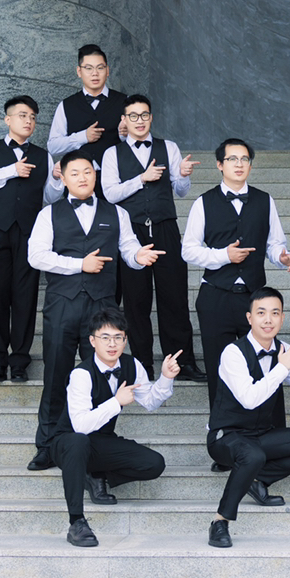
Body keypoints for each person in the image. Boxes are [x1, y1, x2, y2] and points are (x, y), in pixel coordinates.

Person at [25, 150, 164, 472]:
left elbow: (128, 247)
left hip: (103, 306)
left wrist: (138, 257)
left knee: (102, 379)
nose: (82, 178)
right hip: (62, 304)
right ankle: (47, 445)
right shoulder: (48, 214)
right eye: (75, 173)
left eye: (87, 171)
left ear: (95, 175)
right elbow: (36, 256)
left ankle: (98, 446)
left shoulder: (117, 213)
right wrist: (79, 264)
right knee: (55, 374)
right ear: (63, 178)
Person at [207, 287, 290, 548]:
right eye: (261, 313)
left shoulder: (284, 350)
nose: (268, 320)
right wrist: (281, 368)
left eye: (275, 313)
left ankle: (257, 479)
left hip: (261, 434)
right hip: (226, 436)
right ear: (249, 318)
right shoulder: (233, 352)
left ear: (282, 318)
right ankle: (220, 521)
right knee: (252, 455)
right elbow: (249, 399)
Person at [182, 138, 290, 411]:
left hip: (255, 299)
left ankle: (265, 428)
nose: (239, 164)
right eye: (232, 159)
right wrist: (223, 256)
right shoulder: (203, 202)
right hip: (215, 297)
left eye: (244, 159)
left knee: (262, 365)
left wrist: (282, 258)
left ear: (250, 165)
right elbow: (188, 250)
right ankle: (222, 428)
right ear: (219, 165)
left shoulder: (264, 200)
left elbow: (274, 244)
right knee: (218, 368)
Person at [101, 93, 206, 382]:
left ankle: (183, 364)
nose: (139, 120)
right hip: (130, 232)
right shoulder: (112, 154)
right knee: (136, 302)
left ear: (151, 117)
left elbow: (181, 191)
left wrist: (183, 175)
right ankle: (142, 365)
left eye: (144, 115)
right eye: (133, 115)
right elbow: (110, 194)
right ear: (124, 119)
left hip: (165, 228)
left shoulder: (168, 147)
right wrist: (141, 179)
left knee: (175, 298)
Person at [50, 308, 177, 548]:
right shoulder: (81, 374)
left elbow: (150, 402)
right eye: (105, 337)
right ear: (92, 341)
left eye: (118, 337)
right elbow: (80, 425)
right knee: (78, 442)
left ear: (125, 340)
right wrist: (116, 402)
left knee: (154, 463)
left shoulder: (132, 364)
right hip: (68, 442)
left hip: (101, 442)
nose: (112, 344)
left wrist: (166, 377)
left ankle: (97, 475)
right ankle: (76, 522)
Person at [0, 95, 64, 383]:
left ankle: (20, 361)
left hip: (29, 233)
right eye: (23, 115)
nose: (29, 121)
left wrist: (56, 179)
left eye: (33, 117)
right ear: (8, 119)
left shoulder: (43, 156)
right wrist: (11, 171)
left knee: (26, 296)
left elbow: (49, 197)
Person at [47, 44, 127, 196]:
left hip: (117, 181)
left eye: (100, 68)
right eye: (88, 68)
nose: (95, 73)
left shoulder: (125, 102)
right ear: (79, 71)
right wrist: (83, 137)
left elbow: (138, 142)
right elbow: (53, 146)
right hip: (78, 184)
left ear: (108, 70)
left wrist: (124, 135)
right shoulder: (66, 105)